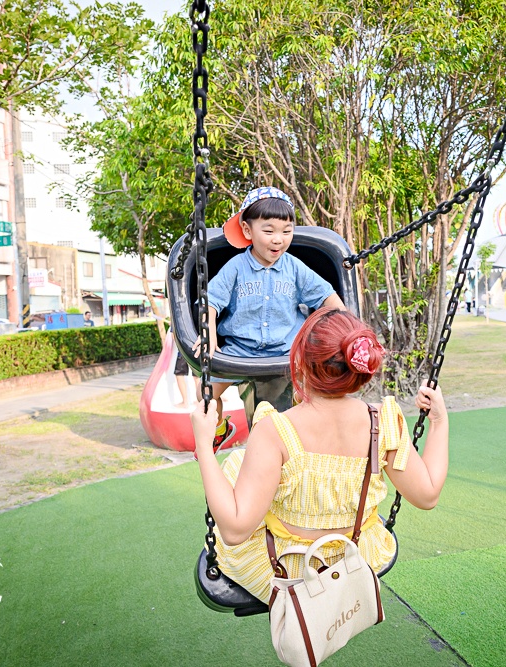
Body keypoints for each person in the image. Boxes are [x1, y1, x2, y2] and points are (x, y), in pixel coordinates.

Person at [190, 307, 449, 602]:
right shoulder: (384, 422)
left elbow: (235, 531)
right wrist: (440, 422)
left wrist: (204, 444)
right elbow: (427, 496)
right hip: (357, 560)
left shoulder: (275, 431)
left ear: (300, 362)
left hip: (287, 573)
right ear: (359, 372)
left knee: (236, 463)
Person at [205, 187, 345, 449]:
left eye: (286, 231)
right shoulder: (235, 267)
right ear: (248, 231)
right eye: (268, 231)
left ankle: (311, 438)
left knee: (315, 393)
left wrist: (348, 328)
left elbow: (327, 296)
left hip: (287, 349)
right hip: (240, 352)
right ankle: (219, 429)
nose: (278, 239)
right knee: (206, 398)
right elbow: (210, 302)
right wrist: (210, 337)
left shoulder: (294, 267)